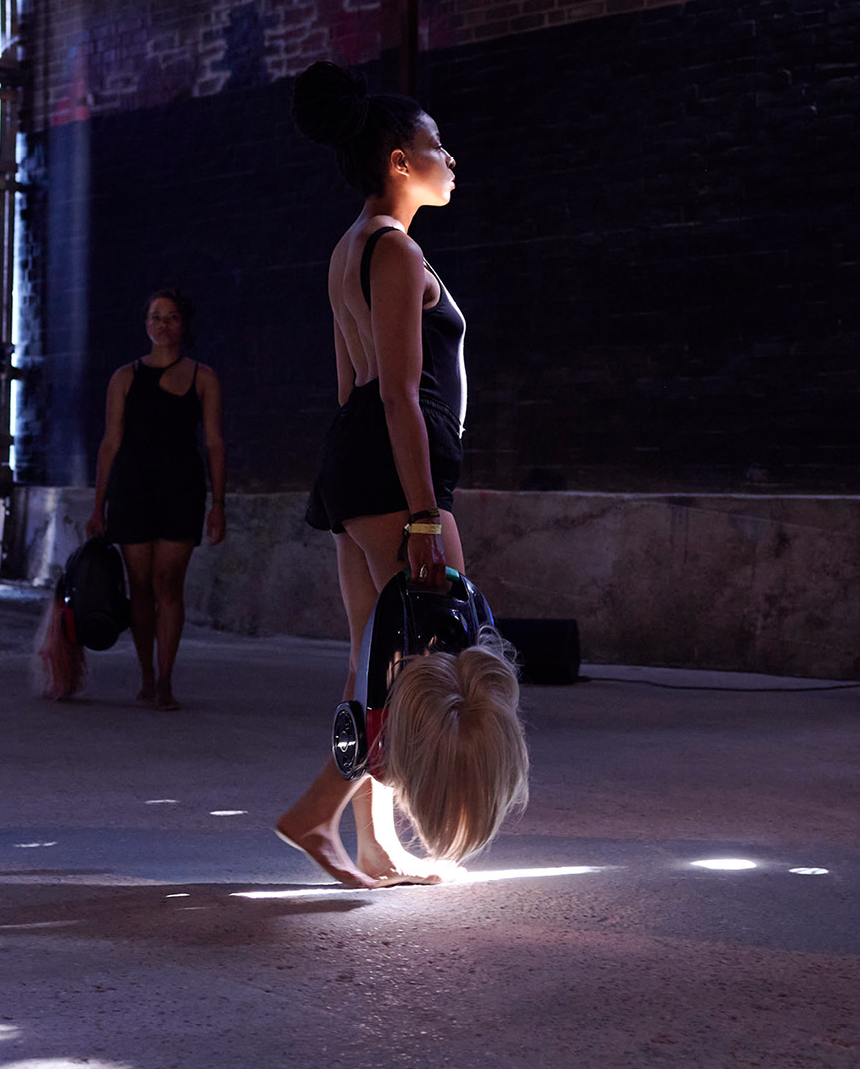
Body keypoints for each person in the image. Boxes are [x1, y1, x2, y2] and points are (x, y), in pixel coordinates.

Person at [275, 61, 527, 887]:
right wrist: (421, 514)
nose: (449, 160)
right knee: (432, 651)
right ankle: (316, 814)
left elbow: (350, 385)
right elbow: (395, 393)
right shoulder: (397, 251)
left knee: (373, 656)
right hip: (393, 472)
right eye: (436, 146)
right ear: (398, 161)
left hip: (358, 464)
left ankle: (375, 841)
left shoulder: (350, 248)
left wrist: (355, 487)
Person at [84, 288, 225, 710]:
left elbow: (215, 443)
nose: (162, 324)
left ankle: (165, 680)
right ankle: (146, 675)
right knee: (140, 586)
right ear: (146, 324)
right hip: (132, 488)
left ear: (184, 324)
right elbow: (110, 443)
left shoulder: (203, 377)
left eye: (171, 317)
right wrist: (97, 506)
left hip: (181, 489)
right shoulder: (124, 377)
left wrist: (219, 503)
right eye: (155, 317)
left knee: (168, 582)